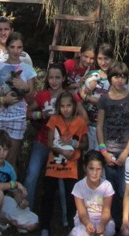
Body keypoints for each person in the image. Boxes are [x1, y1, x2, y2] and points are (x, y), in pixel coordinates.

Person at [23, 62, 84, 212]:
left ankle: (67, 217)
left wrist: (71, 128)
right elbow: (27, 112)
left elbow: (84, 117)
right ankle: (26, 212)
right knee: (32, 174)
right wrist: (41, 114)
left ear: (63, 78)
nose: (54, 81)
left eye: (57, 77)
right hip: (43, 141)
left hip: (63, 144)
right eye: (51, 77)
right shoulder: (43, 95)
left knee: (64, 181)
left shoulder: (70, 96)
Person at [38, 91, 88, 236]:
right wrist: (62, 151)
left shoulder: (80, 122)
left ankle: (73, 230)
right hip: (54, 164)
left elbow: (85, 144)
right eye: (62, 106)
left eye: (69, 106)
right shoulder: (54, 119)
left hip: (72, 166)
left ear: (74, 107)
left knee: (71, 197)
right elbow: (49, 143)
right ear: (58, 107)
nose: (66, 109)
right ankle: (45, 228)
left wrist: (74, 144)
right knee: (48, 195)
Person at [96, 61, 129, 226]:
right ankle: (113, 224)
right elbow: (99, 126)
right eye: (116, 76)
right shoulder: (104, 99)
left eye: (123, 77)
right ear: (110, 78)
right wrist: (103, 151)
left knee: (125, 190)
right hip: (109, 151)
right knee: (111, 191)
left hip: (126, 151)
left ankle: (127, 223)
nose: (119, 80)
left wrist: (127, 152)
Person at [0, 32, 36, 169]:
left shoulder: (28, 69)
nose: (16, 51)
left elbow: (31, 99)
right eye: (12, 47)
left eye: (19, 47)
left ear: (23, 49)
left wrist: (25, 87)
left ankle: (11, 182)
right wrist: (4, 99)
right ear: (7, 48)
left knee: (10, 158)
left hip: (17, 117)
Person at [67, 150, 115, 236]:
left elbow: (107, 211)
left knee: (110, 230)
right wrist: (87, 223)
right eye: (91, 168)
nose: (95, 173)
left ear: (102, 169)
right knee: (84, 235)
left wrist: (102, 224)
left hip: (101, 218)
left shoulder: (107, 186)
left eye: (98, 169)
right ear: (85, 168)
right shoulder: (79, 186)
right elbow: (82, 212)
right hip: (85, 219)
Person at [78, 42, 114, 150]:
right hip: (88, 124)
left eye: (106, 59)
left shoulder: (114, 77)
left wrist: (87, 97)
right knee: (88, 154)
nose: (103, 62)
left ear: (112, 58)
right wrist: (87, 91)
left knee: (101, 154)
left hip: (105, 126)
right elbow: (80, 92)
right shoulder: (91, 74)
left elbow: (110, 101)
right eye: (100, 58)